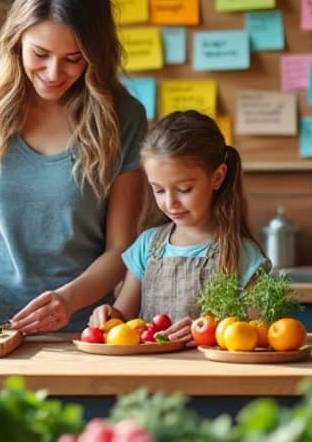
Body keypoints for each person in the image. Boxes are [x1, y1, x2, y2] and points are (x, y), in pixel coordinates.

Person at [0, 0, 147, 334]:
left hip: (79, 332)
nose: (53, 73)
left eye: (73, 59)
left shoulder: (122, 117)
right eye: (40, 54)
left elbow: (121, 253)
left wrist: (68, 300)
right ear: (16, 40)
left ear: (94, 54)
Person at [88, 111, 268, 343]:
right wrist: (107, 316)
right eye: (159, 190)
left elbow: (256, 333)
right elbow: (124, 316)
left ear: (217, 177)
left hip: (213, 376)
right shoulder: (147, 245)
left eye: (184, 189)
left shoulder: (240, 253)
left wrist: (207, 332)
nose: (170, 203)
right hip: (152, 373)